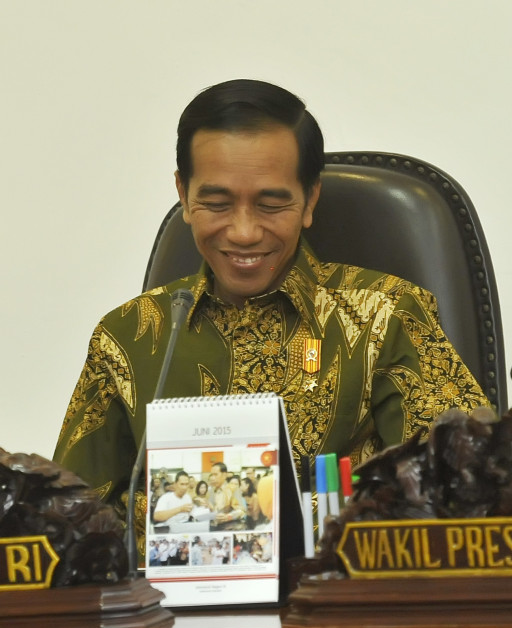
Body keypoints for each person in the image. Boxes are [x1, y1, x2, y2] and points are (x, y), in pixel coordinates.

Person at [53, 79, 489, 522]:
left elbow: (467, 494)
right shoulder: (126, 337)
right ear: (184, 195)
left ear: (309, 198)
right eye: (217, 203)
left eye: (270, 205)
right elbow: (70, 523)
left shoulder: (386, 314)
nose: (244, 232)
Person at [206, 462, 245, 530]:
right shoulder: (211, 491)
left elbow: (241, 511)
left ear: (224, 475)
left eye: (215, 475)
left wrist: (228, 517)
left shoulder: (233, 489)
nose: (212, 478)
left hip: (229, 527)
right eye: (212, 475)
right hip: (213, 527)